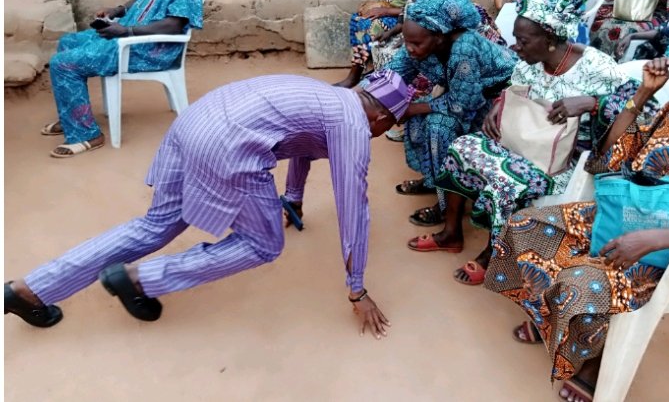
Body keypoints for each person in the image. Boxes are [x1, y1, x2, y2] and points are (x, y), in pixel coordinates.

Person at [5, 70, 414, 339]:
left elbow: (305, 148)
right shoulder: (354, 127)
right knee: (262, 245)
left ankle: (31, 289)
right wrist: (357, 289)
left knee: (156, 226)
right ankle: (140, 280)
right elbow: (353, 207)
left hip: (195, 122)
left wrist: (293, 198)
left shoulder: (329, 96)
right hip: (225, 147)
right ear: (382, 122)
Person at [484, 32, 669, 402]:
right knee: (526, 227)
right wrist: (641, 97)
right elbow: (610, 158)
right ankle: (551, 322)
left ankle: (592, 362)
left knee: (580, 281)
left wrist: (652, 239)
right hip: (626, 214)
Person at [407, 0, 626, 287]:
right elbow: (514, 90)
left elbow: (636, 110)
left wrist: (592, 103)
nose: (516, 47)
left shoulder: (597, 67)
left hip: (563, 163)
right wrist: (498, 106)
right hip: (520, 142)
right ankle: (451, 232)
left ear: (549, 39)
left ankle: (492, 254)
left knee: (505, 181)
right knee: (459, 147)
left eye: (522, 40)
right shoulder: (530, 64)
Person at [41, 0, 205, 158]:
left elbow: (174, 25)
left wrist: (125, 31)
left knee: (62, 64)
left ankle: (86, 135)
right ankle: (72, 117)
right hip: (129, 38)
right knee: (68, 42)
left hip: (146, 49)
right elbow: (144, 0)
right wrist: (117, 10)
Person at [388, 0, 517, 226]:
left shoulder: (464, 47)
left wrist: (412, 108)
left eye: (416, 43)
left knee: (439, 127)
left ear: (439, 37)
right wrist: (360, 101)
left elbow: (461, 103)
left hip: (499, 100)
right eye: (407, 41)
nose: (409, 48)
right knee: (419, 117)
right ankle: (432, 181)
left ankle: (446, 206)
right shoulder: (421, 39)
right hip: (465, 95)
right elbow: (391, 75)